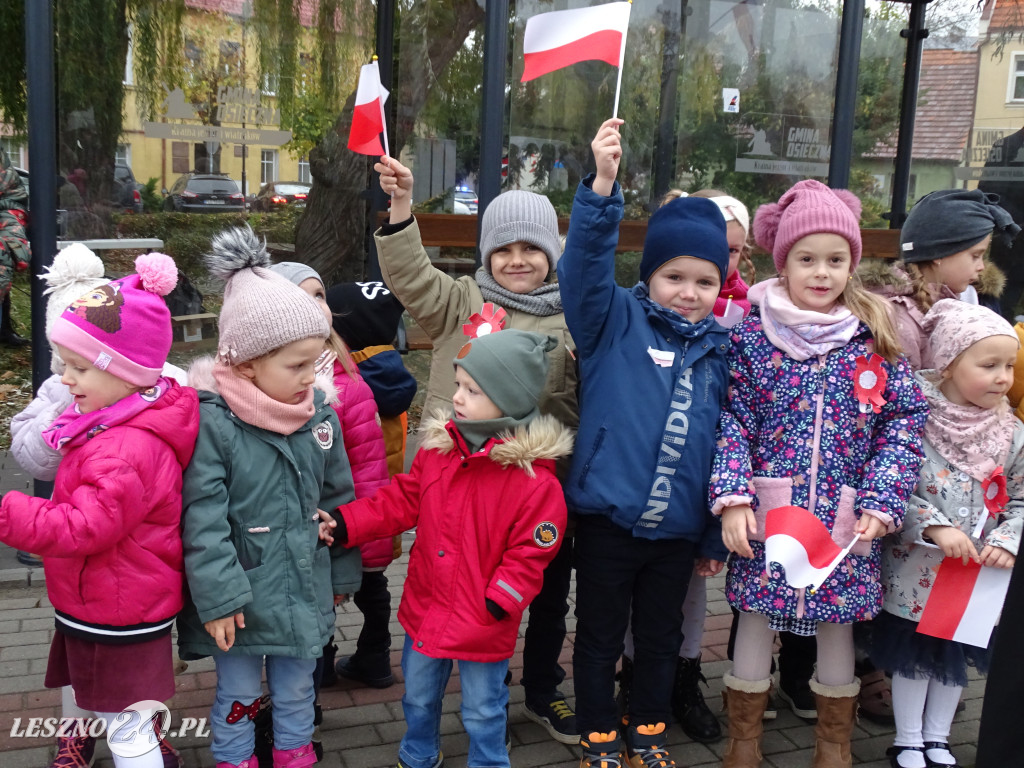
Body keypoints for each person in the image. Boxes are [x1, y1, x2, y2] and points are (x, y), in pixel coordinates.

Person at [711, 179, 928, 768]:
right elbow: (730, 421)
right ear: (783, 263)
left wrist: (883, 498)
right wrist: (732, 497)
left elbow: (903, 424)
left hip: (847, 519)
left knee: (837, 626)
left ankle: (834, 748)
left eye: (836, 260)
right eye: (807, 259)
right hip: (770, 513)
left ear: (852, 264)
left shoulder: (872, 340)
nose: (822, 272)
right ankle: (744, 744)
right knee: (754, 619)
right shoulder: (754, 337)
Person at [374, 154, 580, 744]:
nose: (518, 260)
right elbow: (410, 274)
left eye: (532, 249)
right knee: (448, 591)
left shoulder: (571, 316)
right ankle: (433, 706)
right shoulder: (457, 301)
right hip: (457, 489)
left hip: (535, 496)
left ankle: (539, 691)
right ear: (487, 252)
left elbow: (579, 402)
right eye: (504, 248)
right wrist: (402, 206)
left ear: (551, 254)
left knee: (542, 596)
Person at [560, 118, 731, 768]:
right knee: (601, 635)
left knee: (659, 639)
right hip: (608, 520)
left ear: (721, 286)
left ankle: (650, 727)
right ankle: (598, 729)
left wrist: (713, 535)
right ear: (649, 274)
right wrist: (603, 188)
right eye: (674, 276)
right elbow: (582, 267)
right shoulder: (613, 321)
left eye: (705, 281)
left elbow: (726, 448)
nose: (689, 293)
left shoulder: (721, 349)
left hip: (678, 533)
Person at [328, 328, 573, 768]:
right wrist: (349, 522)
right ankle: (419, 752)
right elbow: (401, 501)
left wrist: (502, 600)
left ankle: (489, 760)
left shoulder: (536, 483)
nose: (457, 397)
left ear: (510, 398)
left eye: (472, 390)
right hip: (428, 602)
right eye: (458, 385)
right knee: (419, 696)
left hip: (484, 614)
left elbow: (531, 554)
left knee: (482, 706)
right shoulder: (440, 452)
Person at [0, 253, 199, 768]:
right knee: (99, 701)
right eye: (65, 363)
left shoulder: (124, 446)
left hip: (117, 609)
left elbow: (84, 525)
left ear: (127, 373)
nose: (65, 380)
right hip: (102, 600)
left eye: (80, 367)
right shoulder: (109, 421)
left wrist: (8, 514)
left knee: (129, 734)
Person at [176, 226, 362, 768]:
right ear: (247, 363)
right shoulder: (214, 423)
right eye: (297, 366)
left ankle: (294, 756)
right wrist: (217, 599)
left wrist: (343, 573)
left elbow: (338, 493)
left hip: (304, 587)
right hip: (237, 601)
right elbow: (202, 518)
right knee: (238, 696)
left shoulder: (318, 415)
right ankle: (236, 760)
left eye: (315, 362)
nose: (312, 377)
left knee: (299, 691)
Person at [616, 188, 763, 743]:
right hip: (643, 482)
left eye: (733, 251)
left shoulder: (746, 320)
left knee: (691, 597)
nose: (722, 262)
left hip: (703, 484)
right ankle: (634, 680)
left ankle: (681, 678)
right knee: (638, 597)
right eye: (716, 247)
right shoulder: (652, 309)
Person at [869, 300, 1021, 768]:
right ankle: (909, 739)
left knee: (955, 660)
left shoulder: (1012, 433)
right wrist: (932, 525)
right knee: (916, 658)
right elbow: (893, 481)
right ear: (951, 365)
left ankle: (939, 738)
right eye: (989, 365)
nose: (1002, 378)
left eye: (1009, 367)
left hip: (975, 574)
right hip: (919, 569)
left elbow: (1020, 497)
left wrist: (1007, 540)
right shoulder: (915, 420)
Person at [267, 261, 391, 761]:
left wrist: (368, 544)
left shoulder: (349, 385)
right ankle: (291, 707)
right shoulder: (253, 387)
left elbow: (367, 469)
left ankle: (315, 700)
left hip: (334, 533)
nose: (315, 305)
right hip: (278, 538)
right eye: (299, 297)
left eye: (319, 295)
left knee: (340, 602)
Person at [326, 280, 419, 688]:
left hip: (343, 507)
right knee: (373, 584)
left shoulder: (346, 380)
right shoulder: (391, 372)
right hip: (383, 505)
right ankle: (376, 655)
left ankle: (320, 664)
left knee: (325, 587)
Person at [858, 189, 1018, 370]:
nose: (982, 267)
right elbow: (906, 393)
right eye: (975, 255)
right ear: (939, 254)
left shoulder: (968, 300)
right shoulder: (899, 320)